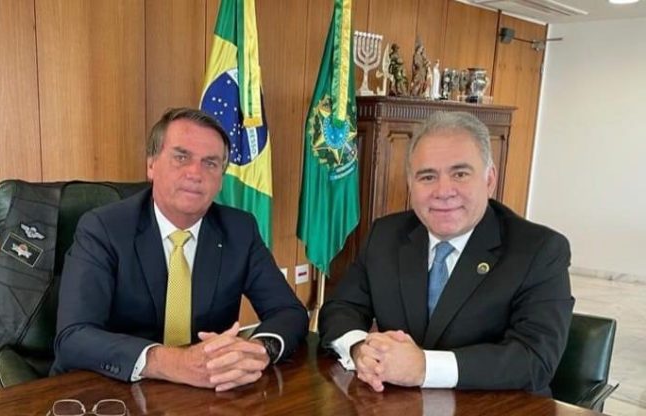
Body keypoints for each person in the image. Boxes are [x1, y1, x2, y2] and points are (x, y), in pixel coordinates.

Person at [53, 107, 308, 392]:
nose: (195, 173)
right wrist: (172, 362)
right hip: (113, 392)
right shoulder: (103, 228)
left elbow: (289, 311)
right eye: (181, 157)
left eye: (210, 163)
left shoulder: (240, 229)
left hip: (205, 393)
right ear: (151, 165)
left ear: (221, 179)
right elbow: (74, 337)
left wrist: (259, 350)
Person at [319, 111, 574, 395]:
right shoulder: (385, 235)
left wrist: (424, 367)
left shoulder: (539, 250)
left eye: (460, 174)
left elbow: (535, 359)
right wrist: (359, 348)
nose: (443, 191)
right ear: (411, 184)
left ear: (489, 180)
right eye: (427, 176)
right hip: (397, 403)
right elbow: (341, 308)